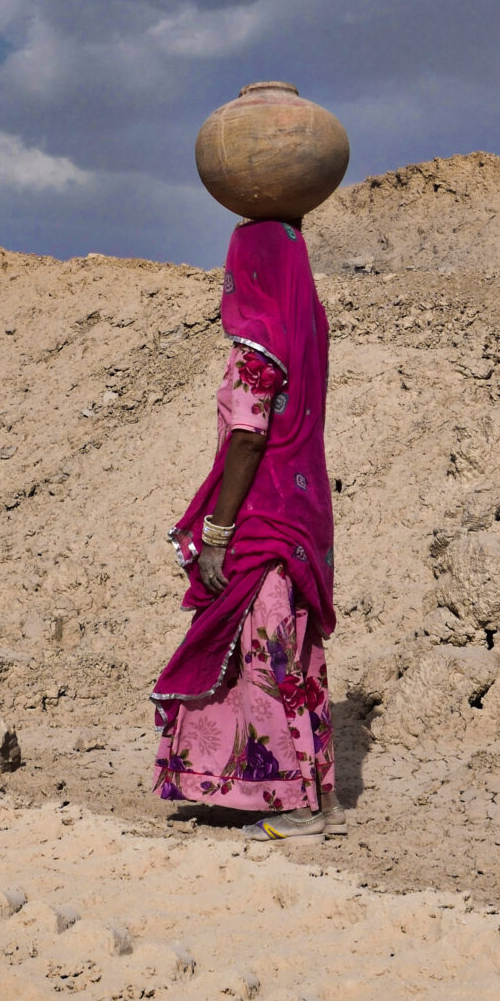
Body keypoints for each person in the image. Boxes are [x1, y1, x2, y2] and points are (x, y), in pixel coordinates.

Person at [151, 215, 342, 841]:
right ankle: (297, 789)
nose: (227, 283)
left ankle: (296, 803)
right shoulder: (308, 333)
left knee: (268, 660)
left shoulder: (256, 347)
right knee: (289, 656)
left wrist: (217, 531)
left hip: (259, 522)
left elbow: (247, 438)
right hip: (303, 518)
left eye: (234, 270)